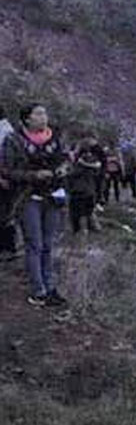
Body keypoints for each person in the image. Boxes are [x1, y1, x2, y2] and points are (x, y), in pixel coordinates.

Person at [2, 103, 71, 307]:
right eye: (38, 114)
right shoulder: (13, 140)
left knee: (49, 244)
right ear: (26, 119)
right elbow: (6, 170)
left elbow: (67, 158)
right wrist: (33, 175)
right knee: (35, 244)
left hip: (53, 195)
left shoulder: (55, 137)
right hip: (27, 196)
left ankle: (50, 287)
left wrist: (64, 169)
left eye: (44, 113)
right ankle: (37, 290)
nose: (43, 117)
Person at [68, 140, 102, 234]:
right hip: (88, 189)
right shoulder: (92, 160)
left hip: (79, 190)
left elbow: (72, 174)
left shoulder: (80, 162)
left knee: (81, 212)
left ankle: (83, 231)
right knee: (88, 211)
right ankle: (92, 228)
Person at [0, 105, 18, 261]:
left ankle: (8, 248)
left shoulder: (5, 132)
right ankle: (8, 247)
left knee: (5, 213)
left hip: (5, 179)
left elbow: (6, 160)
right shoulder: (8, 130)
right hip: (7, 179)